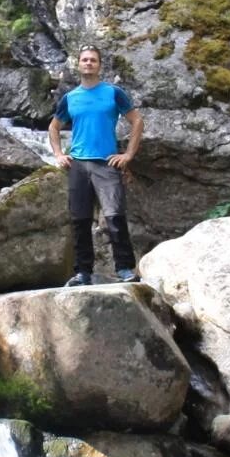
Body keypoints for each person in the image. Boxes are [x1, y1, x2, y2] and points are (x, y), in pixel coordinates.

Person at [48, 44, 143, 286]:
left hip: (107, 164)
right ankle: (83, 273)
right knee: (80, 221)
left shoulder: (113, 93)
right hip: (78, 165)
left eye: (93, 60)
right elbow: (54, 127)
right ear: (78, 65)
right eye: (85, 60)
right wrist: (59, 154)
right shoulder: (70, 98)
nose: (88, 63)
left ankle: (124, 269)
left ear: (99, 65)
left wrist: (128, 155)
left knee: (115, 218)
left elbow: (137, 120)